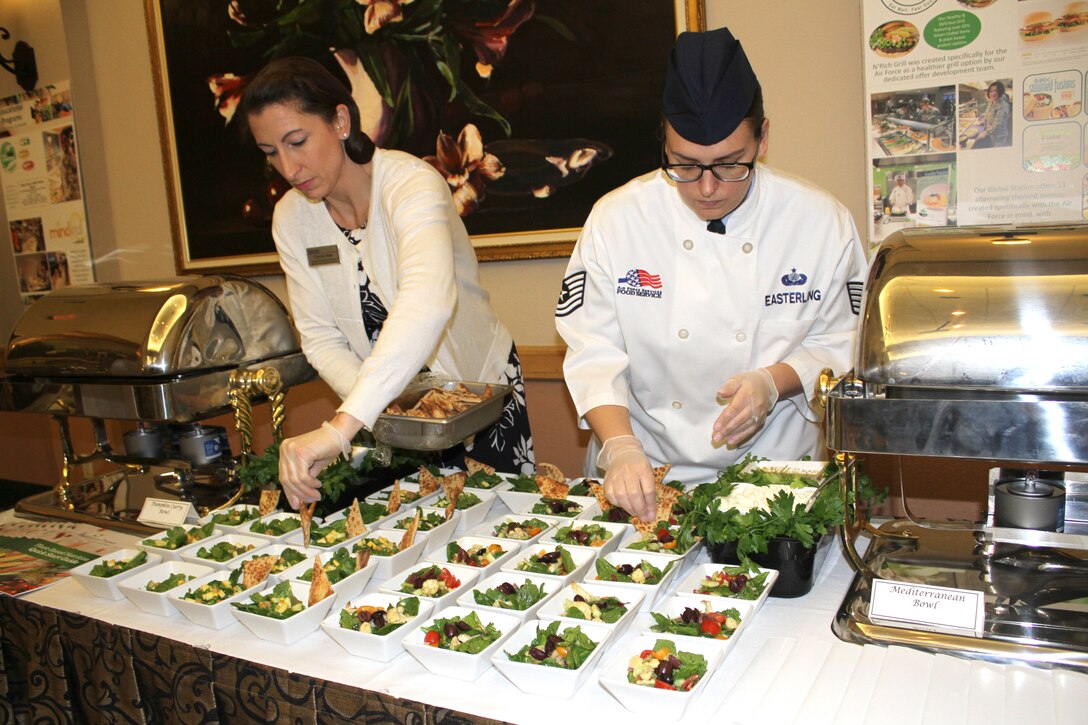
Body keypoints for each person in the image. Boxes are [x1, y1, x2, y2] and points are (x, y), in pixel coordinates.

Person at [555, 28, 867, 520]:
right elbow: (593, 350)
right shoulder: (616, 220)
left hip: (777, 477)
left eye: (728, 165)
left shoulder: (821, 222)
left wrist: (774, 382)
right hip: (645, 472)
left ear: (763, 137)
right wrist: (618, 446)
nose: (706, 188)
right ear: (663, 140)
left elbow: (845, 340)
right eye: (684, 164)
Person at [239, 56, 534, 509]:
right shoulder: (292, 219)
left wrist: (343, 426)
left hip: (476, 397)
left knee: (496, 538)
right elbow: (320, 337)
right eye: (270, 153)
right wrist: (381, 412)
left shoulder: (411, 184)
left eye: (297, 141)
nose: (289, 166)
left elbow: (427, 303)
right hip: (384, 414)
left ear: (340, 120)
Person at [972, 81, 1011, 149]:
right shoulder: (992, 102)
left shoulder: (1003, 106)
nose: (993, 93)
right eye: (991, 91)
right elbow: (988, 114)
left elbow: (997, 124)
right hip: (991, 136)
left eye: (995, 91)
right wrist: (982, 122)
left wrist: (984, 133)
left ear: (1000, 91)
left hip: (999, 138)